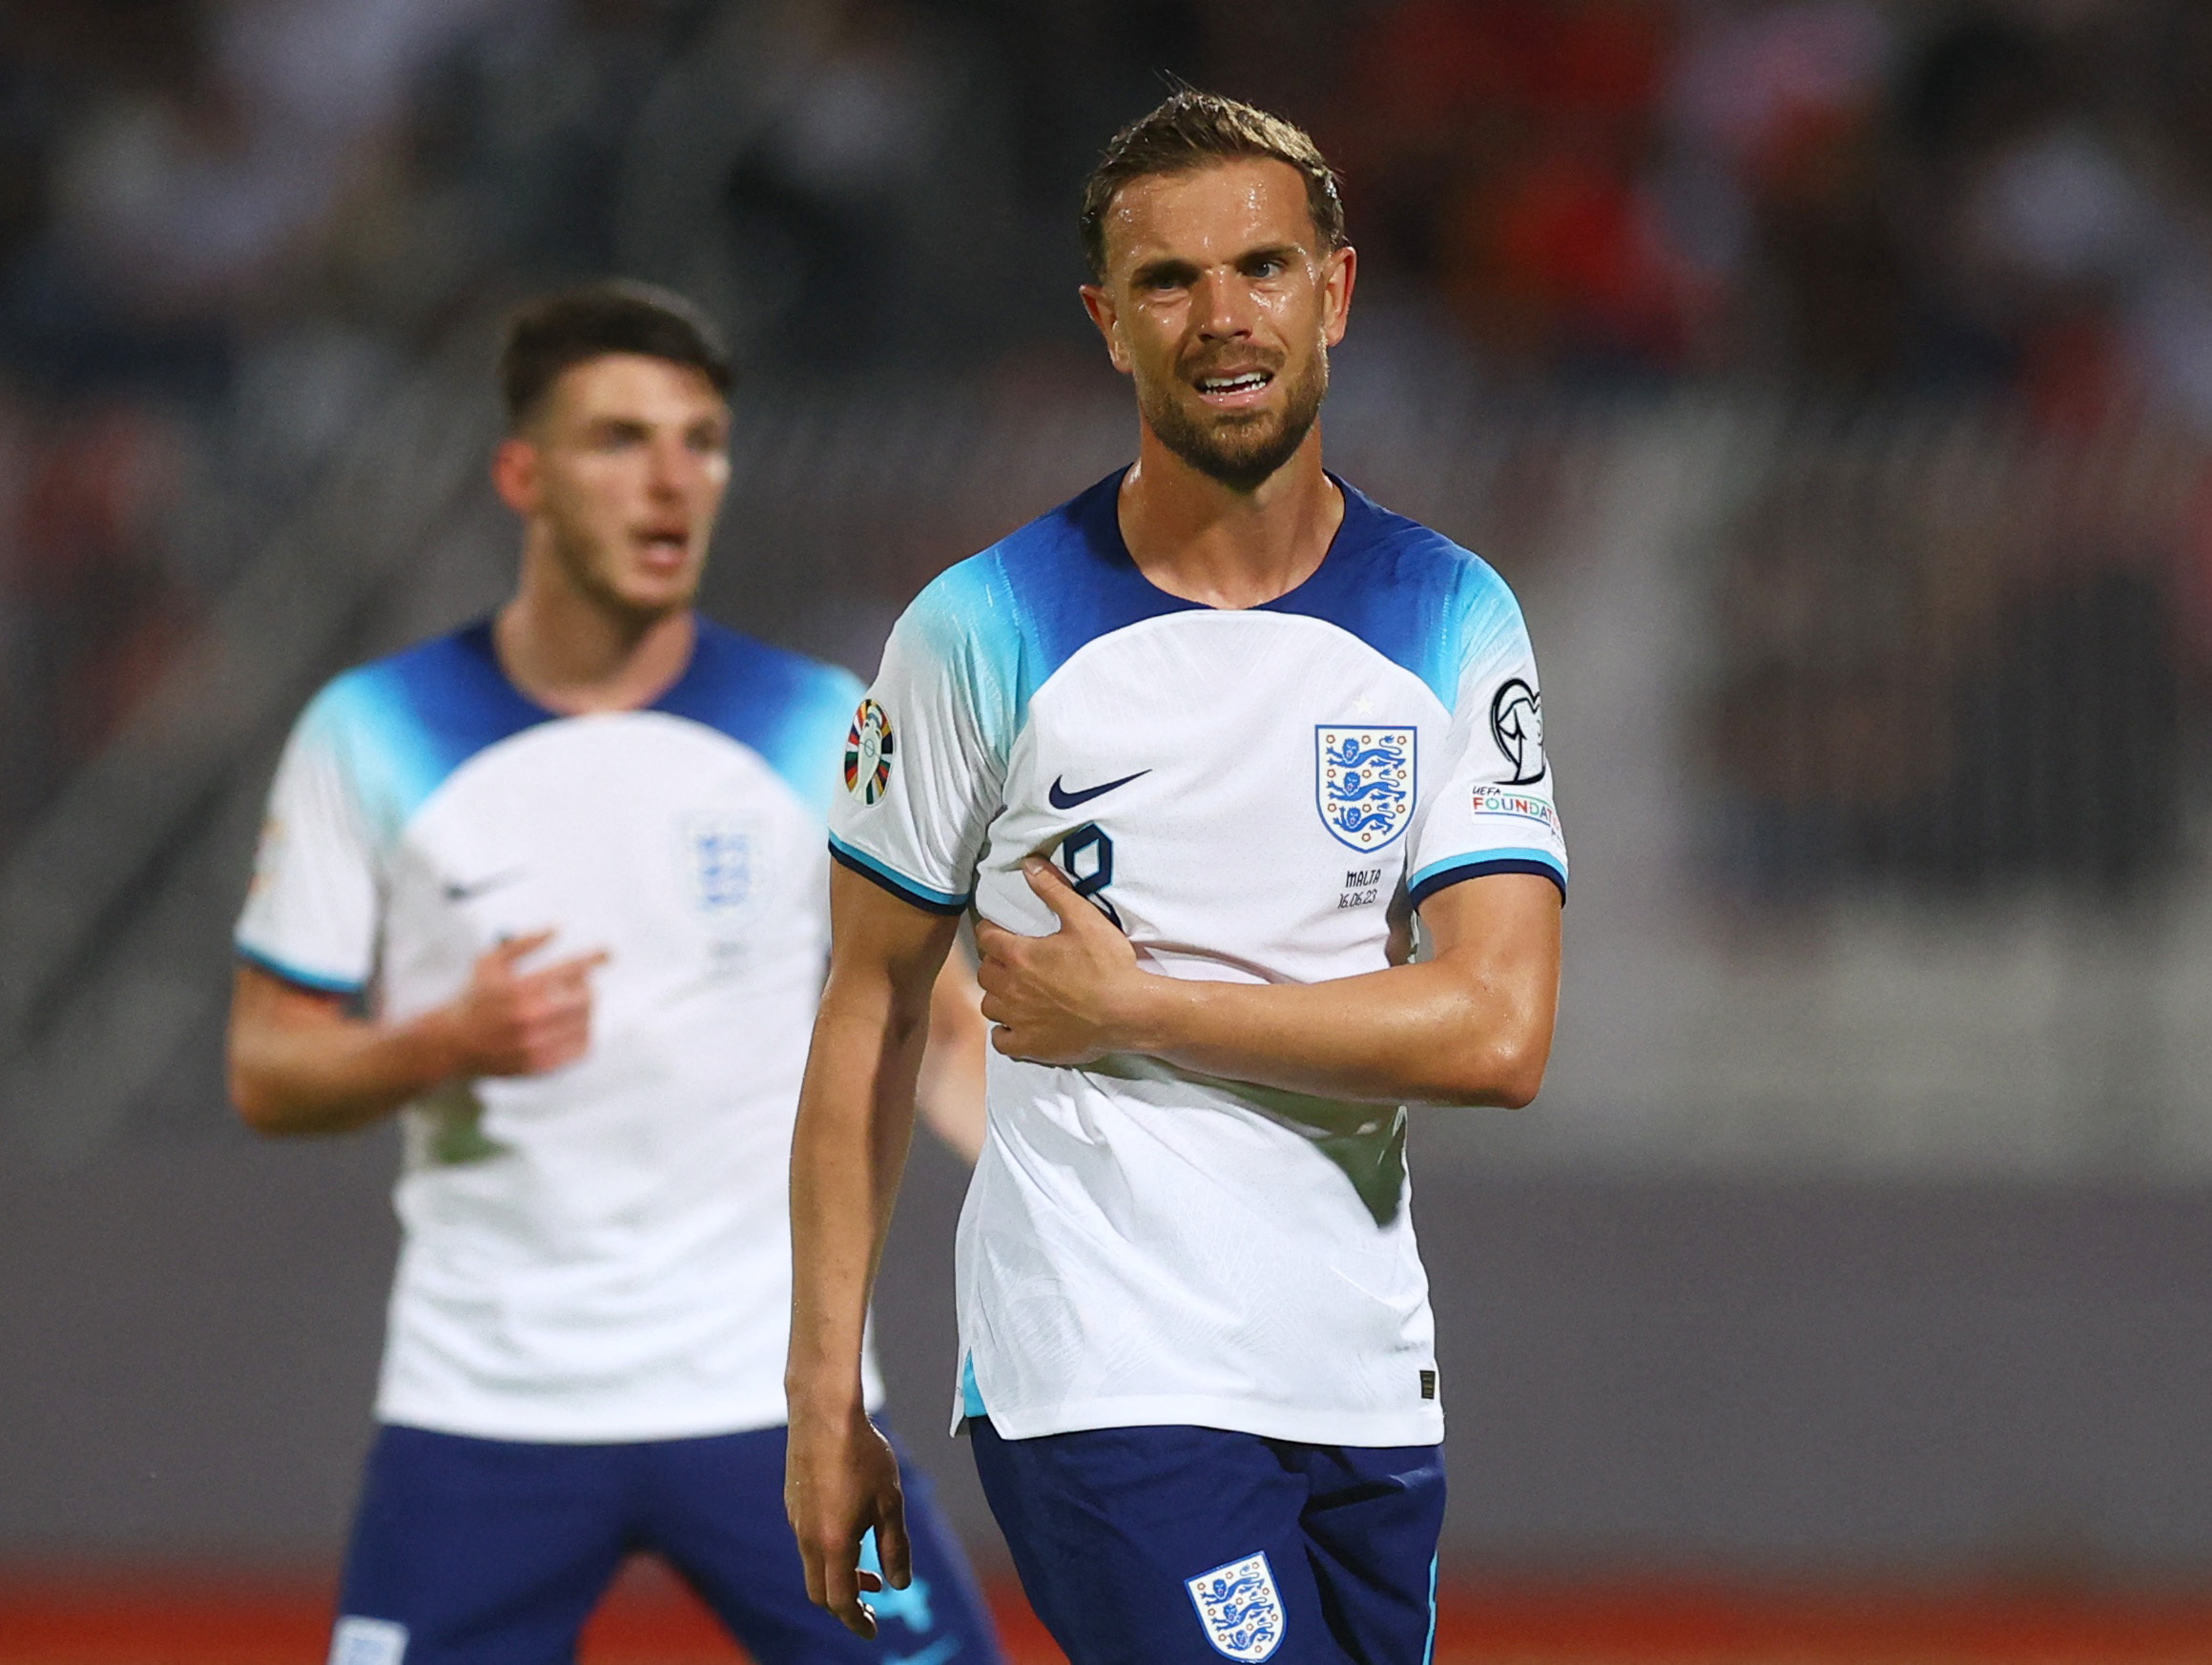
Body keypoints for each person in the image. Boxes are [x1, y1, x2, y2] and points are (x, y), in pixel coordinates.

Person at [785, 93, 1566, 1665]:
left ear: (1333, 292)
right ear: (1106, 323)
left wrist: (1140, 1005)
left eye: (1263, 267)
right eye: (1168, 282)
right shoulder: (978, 627)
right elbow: (864, 1007)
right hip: (1101, 1368)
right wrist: (822, 1398)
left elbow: (1497, 1034)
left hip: (1359, 1367)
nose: (1222, 317)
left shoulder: (1450, 614)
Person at [226, 281, 1004, 1665]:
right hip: (488, 1403)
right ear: (522, 474)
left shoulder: (824, 724)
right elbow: (268, 1067)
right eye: (619, 438)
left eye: (700, 440)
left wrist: (1092, 1207)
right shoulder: (371, 731)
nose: (670, 479)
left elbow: (939, 1034)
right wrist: (441, 1038)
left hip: (776, 1396)